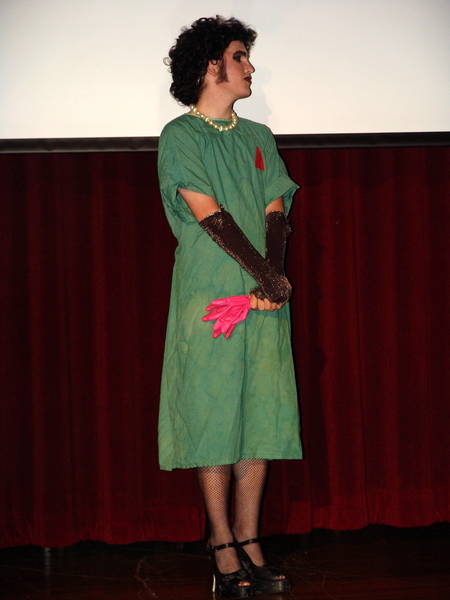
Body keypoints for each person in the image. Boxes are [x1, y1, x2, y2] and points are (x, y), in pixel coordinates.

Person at [158, 16, 302, 598]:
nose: (250, 67)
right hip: (213, 294)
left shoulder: (259, 136)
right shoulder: (179, 135)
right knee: (214, 413)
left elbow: (274, 210)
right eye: (240, 56)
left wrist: (272, 280)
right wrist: (268, 277)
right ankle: (220, 541)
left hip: (264, 296)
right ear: (211, 65)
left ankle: (250, 537)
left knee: (260, 416)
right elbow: (208, 213)